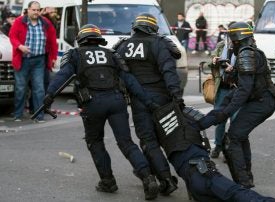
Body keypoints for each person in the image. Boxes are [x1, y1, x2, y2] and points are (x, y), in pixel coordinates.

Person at [43, 24, 159, 200]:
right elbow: (130, 80)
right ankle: (148, 178)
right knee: (126, 142)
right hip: (116, 101)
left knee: (95, 142)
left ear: (81, 39)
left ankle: (108, 181)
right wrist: (148, 101)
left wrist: (49, 95)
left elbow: (62, 76)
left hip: (92, 104)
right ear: (98, 38)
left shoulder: (75, 54)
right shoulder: (111, 54)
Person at [150, 102, 275, 202]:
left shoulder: (158, 128)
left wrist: (164, 181)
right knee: (236, 192)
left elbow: (154, 154)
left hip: (194, 182)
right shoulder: (187, 120)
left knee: (234, 197)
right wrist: (233, 103)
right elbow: (211, 118)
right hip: (203, 173)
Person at [196, 21, 275, 189]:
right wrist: (233, 71)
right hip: (261, 99)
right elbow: (251, 80)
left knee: (232, 138)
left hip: (261, 102)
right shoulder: (251, 52)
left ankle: (243, 184)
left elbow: (245, 89)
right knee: (238, 134)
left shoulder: (245, 53)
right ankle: (246, 178)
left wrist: (226, 113)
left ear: (235, 39)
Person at [114, 13, 180, 196]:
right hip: (162, 97)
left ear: (135, 27)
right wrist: (177, 95)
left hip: (138, 98)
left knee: (148, 140)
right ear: (153, 28)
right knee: (169, 138)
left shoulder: (123, 46)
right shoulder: (159, 43)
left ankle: (165, 178)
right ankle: (169, 176)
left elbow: (116, 72)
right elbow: (169, 71)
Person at [9, 1, 57, 122]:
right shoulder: (19, 21)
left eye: (38, 10)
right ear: (28, 10)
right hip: (22, 59)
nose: (36, 12)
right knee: (21, 88)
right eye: (34, 10)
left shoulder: (45, 23)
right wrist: (20, 46)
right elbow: (12, 36)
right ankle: (18, 114)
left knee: (39, 88)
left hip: (39, 60)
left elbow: (52, 41)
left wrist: (54, 57)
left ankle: (39, 116)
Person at [208, 21, 237, 159]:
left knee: (235, 120)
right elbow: (210, 61)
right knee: (219, 118)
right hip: (222, 88)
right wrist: (214, 61)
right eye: (229, 33)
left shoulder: (246, 47)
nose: (230, 37)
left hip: (237, 89)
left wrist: (235, 69)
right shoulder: (221, 45)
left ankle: (230, 149)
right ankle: (218, 146)